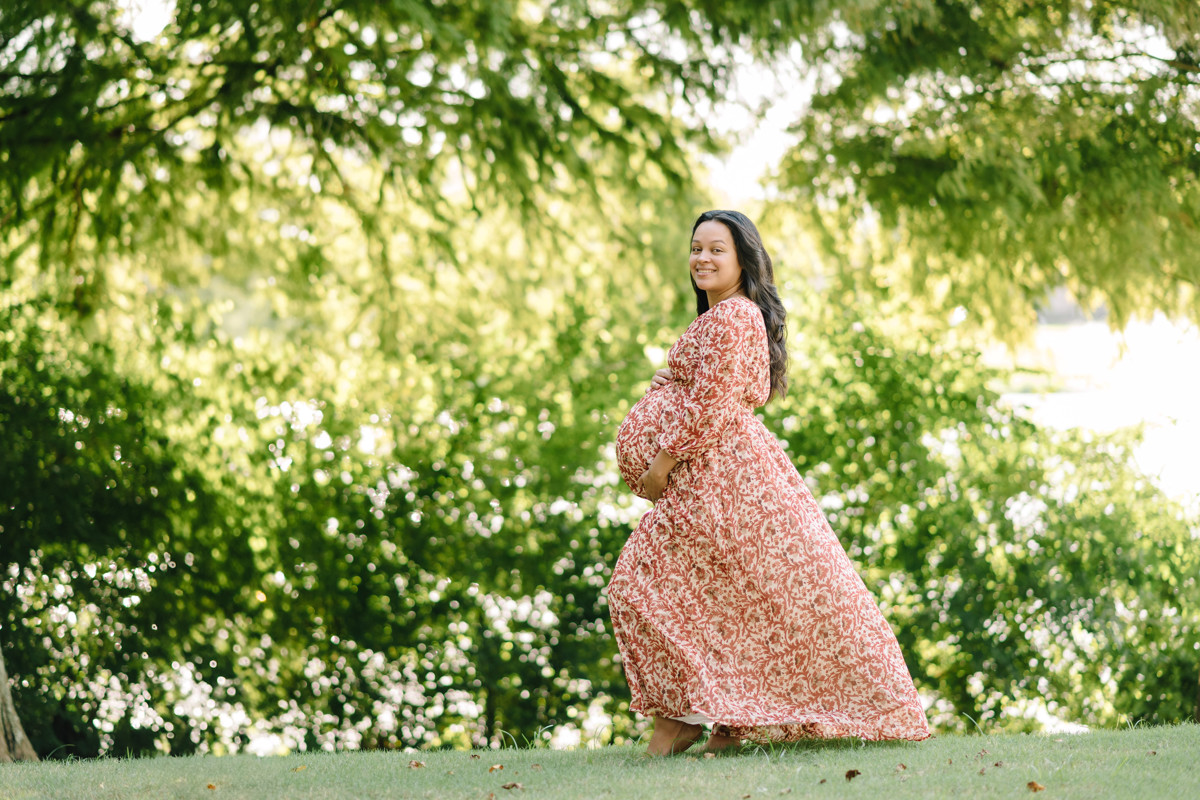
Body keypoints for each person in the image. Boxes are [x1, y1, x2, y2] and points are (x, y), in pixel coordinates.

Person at [607, 210, 930, 756]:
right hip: (717, 473)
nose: (702, 258)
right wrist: (671, 380)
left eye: (717, 250)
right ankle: (724, 723)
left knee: (640, 584)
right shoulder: (726, 318)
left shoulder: (732, 316)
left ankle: (683, 719)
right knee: (728, 596)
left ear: (742, 260)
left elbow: (714, 404)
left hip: (720, 476)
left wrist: (661, 461)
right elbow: (714, 386)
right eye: (696, 248)